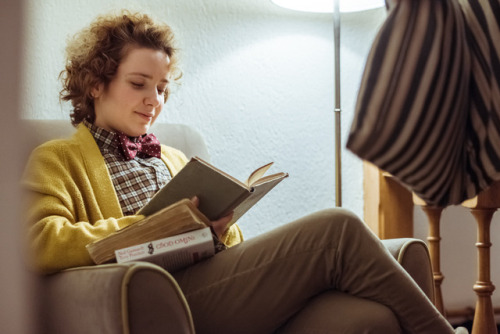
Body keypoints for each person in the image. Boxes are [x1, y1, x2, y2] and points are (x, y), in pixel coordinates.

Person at [22, 10, 467, 334]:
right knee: (338, 227)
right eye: (139, 84)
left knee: (371, 318)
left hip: (211, 282)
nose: (154, 99)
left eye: (161, 88)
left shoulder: (174, 158)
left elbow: (228, 248)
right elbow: (35, 243)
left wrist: (220, 229)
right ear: (96, 84)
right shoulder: (57, 158)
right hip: (163, 292)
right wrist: (146, 228)